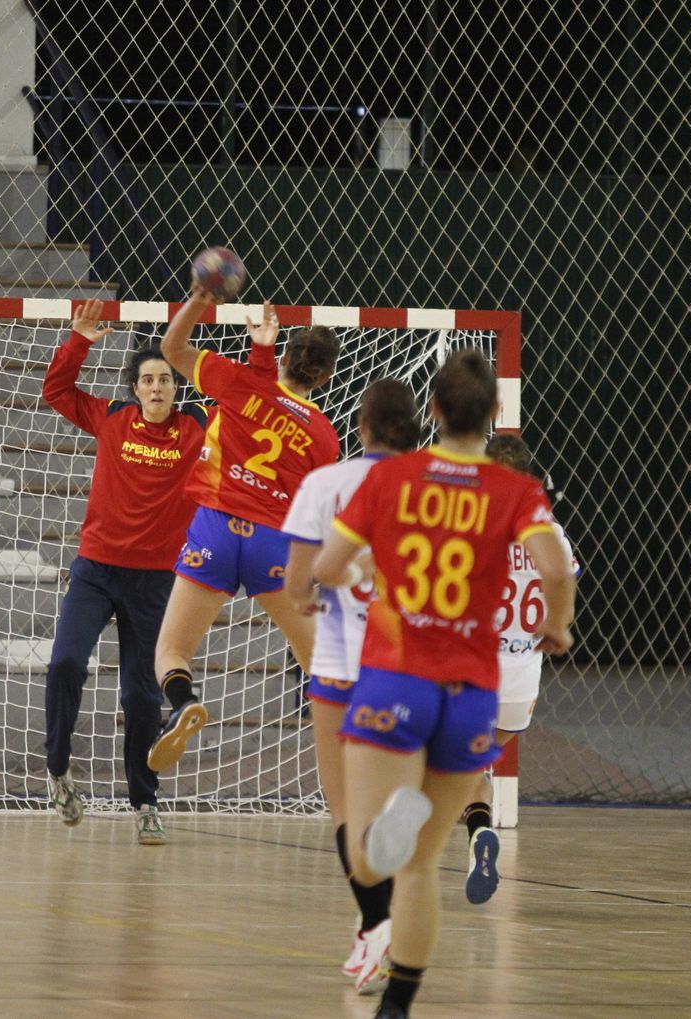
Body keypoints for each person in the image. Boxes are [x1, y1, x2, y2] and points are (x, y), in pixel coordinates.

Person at [313, 349, 575, 1019]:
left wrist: (358, 579)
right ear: (494, 414)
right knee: (423, 867)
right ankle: (398, 1007)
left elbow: (329, 564)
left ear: (430, 409)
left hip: (399, 678)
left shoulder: (396, 477)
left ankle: (388, 832)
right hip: (472, 694)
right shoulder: (517, 491)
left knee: (374, 861)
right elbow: (554, 568)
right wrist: (558, 626)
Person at [40, 298, 277, 844]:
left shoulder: (197, 428)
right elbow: (56, 392)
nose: (156, 388)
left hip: (156, 581)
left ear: (177, 387)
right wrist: (78, 341)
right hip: (97, 570)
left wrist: (261, 353)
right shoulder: (112, 418)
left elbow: (250, 405)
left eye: (166, 380)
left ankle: (145, 803)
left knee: (141, 698)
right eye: (147, 380)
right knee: (65, 664)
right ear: (134, 388)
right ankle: (57, 769)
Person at [147, 284, 343, 775]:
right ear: (324, 375)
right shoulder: (324, 435)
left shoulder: (241, 380)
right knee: (316, 658)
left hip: (215, 526)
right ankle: (350, 755)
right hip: (273, 541)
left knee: (172, 650)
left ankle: (183, 701)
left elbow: (171, 350)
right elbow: (315, 511)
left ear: (287, 356)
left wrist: (199, 298)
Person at [283, 378, 422, 995]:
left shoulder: (327, 484)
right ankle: (387, 923)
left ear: (361, 427)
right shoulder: (435, 486)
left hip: (342, 666)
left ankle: (376, 924)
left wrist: (311, 597)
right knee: (405, 799)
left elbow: (296, 583)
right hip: (413, 665)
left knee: (345, 811)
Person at [455, 432, 579, 901]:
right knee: (473, 768)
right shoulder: (551, 535)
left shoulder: (471, 525)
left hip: (472, 673)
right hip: (520, 684)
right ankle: (478, 830)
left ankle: (455, 834)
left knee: (441, 766)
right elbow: (564, 578)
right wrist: (559, 626)